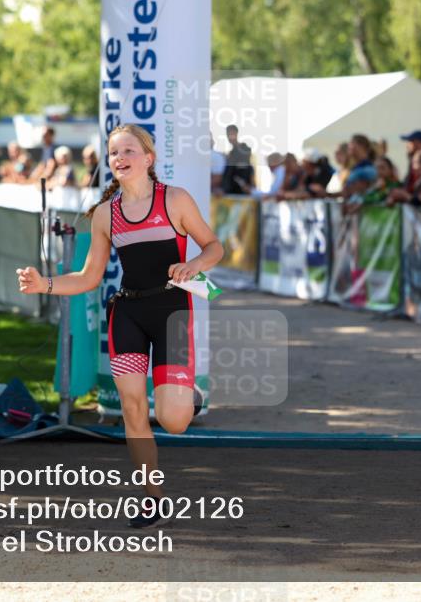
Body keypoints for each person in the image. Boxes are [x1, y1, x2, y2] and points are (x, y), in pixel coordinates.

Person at [16, 124, 223, 528]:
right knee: (132, 408)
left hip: (172, 312)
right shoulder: (105, 215)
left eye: (129, 150)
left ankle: (189, 397)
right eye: (114, 152)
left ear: (148, 158)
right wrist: (46, 284)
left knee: (174, 421)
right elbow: (89, 277)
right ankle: (153, 499)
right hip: (127, 314)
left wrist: (195, 264)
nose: (120, 158)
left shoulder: (175, 200)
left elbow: (215, 247)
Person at [341, 134, 378, 199]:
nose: (349, 146)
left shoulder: (368, 169)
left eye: (352, 143)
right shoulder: (357, 167)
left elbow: (357, 192)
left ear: (361, 146)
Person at [221, 124, 255, 195]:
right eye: (228, 134)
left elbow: (243, 170)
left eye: (231, 134)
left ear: (236, 133)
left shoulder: (243, 149)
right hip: (231, 191)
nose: (229, 137)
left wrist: (243, 185)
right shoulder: (231, 153)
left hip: (240, 192)